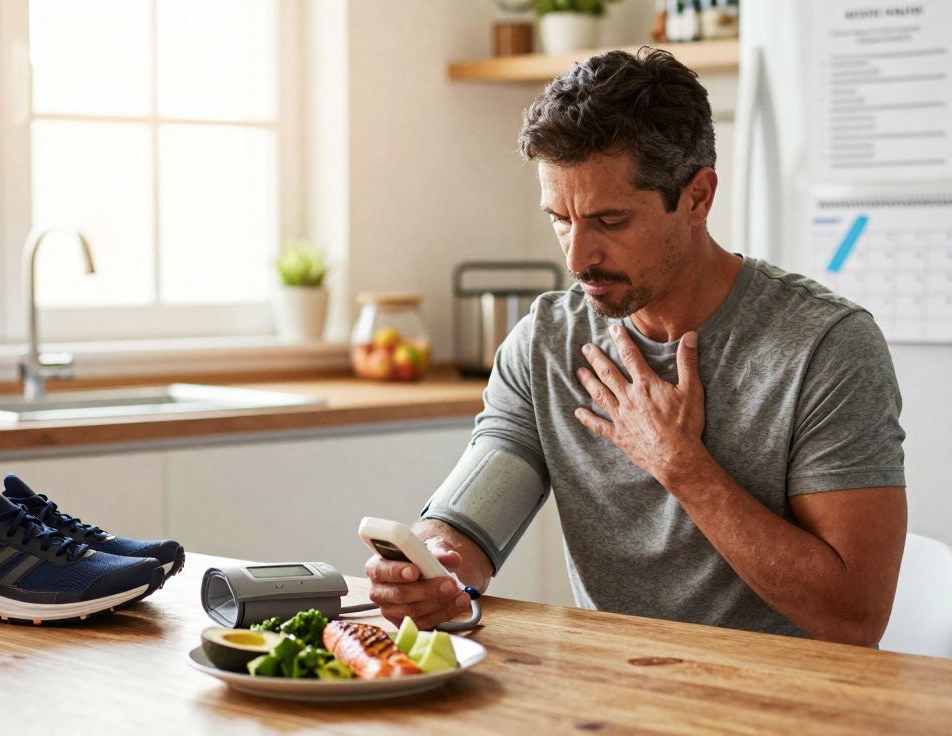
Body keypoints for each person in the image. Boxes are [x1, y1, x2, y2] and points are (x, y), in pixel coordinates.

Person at [365, 48, 908, 646]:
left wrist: (681, 464)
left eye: (611, 221)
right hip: (618, 692)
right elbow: (472, 521)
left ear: (698, 197)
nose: (577, 258)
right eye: (561, 219)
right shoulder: (548, 342)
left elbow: (855, 618)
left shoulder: (826, 347)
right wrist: (432, 561)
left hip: (787, 704)